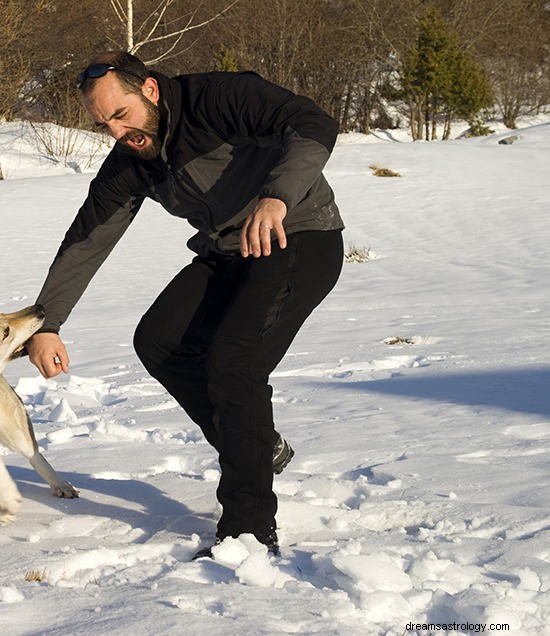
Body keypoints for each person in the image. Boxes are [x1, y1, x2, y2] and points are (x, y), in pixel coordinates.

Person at [25, 51, 344, 558]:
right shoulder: (131, 160)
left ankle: (248, 532)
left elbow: (312, 122)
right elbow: (87, 240)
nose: (115, 132)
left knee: (234, 364)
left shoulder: (218, 99)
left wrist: (277, 195)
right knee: (160, 340)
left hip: (298, 234)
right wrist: (45, 322)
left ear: (150, 89)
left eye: (120, 114)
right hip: (228, 251)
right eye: (103, 123)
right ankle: (256, 446)